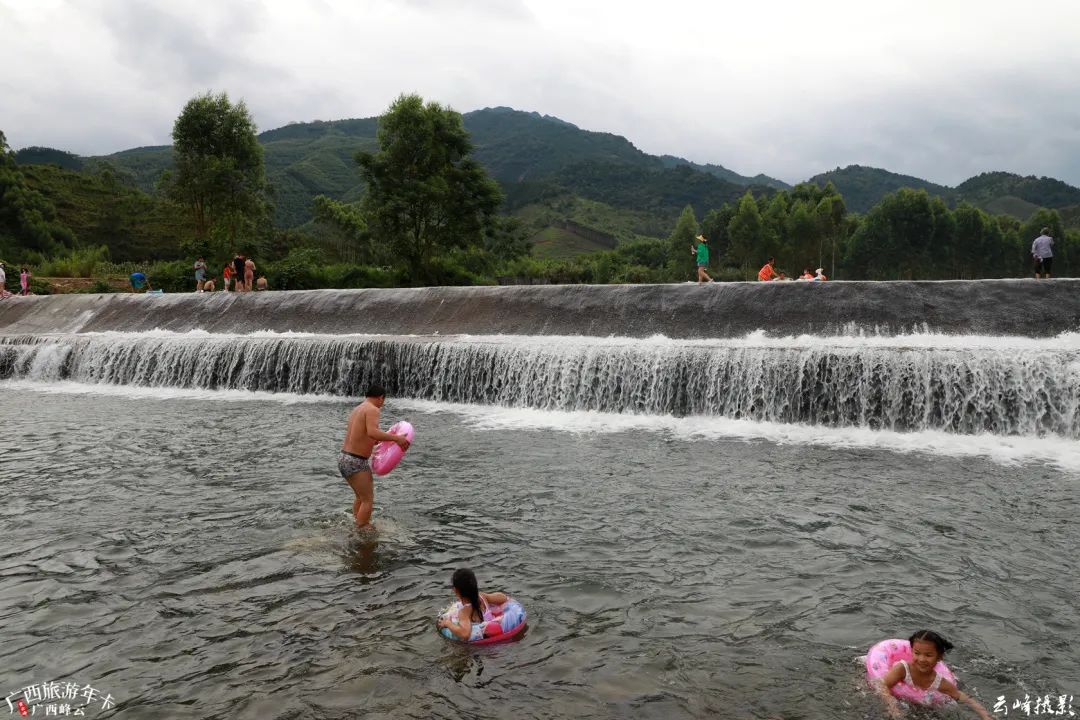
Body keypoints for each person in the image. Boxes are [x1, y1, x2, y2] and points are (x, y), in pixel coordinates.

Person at [873, 631, 993, 720]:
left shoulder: (939, 682)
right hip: (896, 699)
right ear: (911, 651)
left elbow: (961, 696)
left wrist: (984, 714)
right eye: (917, 653)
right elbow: (882, 685)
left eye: (928, 655)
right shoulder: (902, 669)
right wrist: (892, 705)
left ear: (939, 657)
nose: (921, 659)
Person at [338, 384, 411, 528]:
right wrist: (396, 438)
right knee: (368, 500)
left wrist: (380, 440)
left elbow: (364, 435)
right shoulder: (373, 409)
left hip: (344, 458)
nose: (382, 404)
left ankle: (357, 522)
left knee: (360, 497)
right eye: (383, 401)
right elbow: (372, 431)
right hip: (356, 460)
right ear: (380, 398)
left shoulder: (357, 409)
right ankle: (362, 529)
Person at [436, 568, 510, 641]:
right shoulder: (482, 597)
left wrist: (448, 623)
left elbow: (465, 634)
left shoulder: (465, 611)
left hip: (480, 643)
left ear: (455, 590)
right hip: (493, 630)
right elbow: (503, 598)